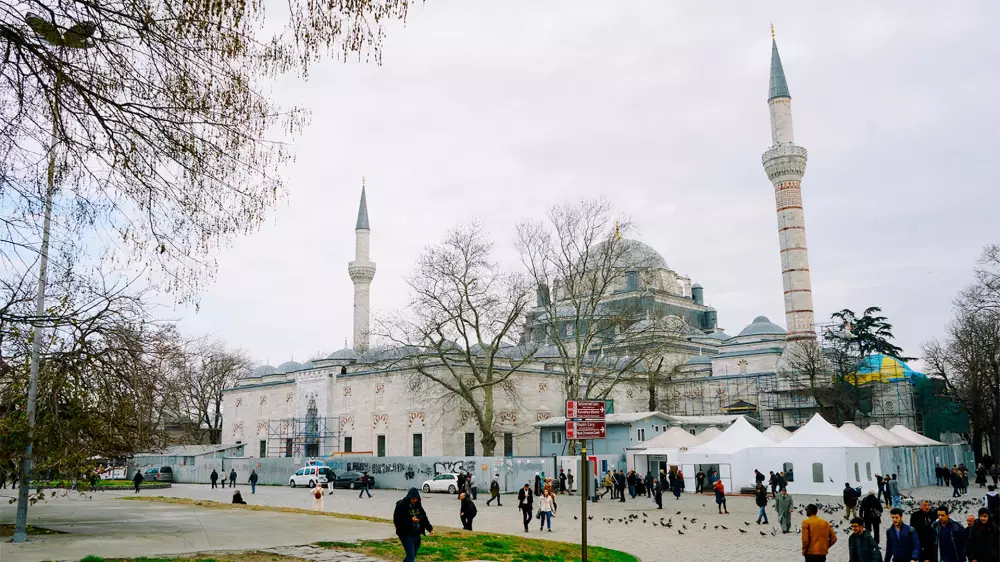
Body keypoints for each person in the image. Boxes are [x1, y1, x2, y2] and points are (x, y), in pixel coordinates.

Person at [393, 488, 433, 562]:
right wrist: (410, 520)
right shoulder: (401, 505)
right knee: (411, 557)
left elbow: (424, 517)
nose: (414, 500)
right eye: (413, 499)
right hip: (405, 534)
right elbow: (397, 520)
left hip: (416, 534)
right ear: (409, 497)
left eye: (416, 499)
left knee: (412, 556)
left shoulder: (418, 505)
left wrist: (429, 528)